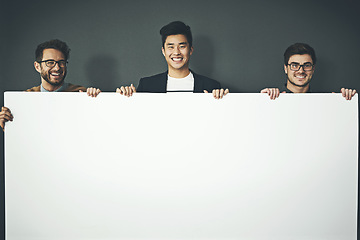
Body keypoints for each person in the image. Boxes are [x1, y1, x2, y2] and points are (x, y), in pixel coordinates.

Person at [0, 39, 101, 130]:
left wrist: (98, 102)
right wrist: (9, 126)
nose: (57, 68)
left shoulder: (80, 93)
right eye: (50, 62)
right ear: (37, 66)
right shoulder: (25, 99)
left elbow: (93, 130)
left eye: (61, 62)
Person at [117, 21, 229, 99]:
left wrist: (222, 100)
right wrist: (127, 98)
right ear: (163, 51)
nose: (176, 52)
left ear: (190, 50)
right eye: (170, 46)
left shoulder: (211, 86)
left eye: (182, 46)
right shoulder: (147, 85)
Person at [261, 43, 356, 100]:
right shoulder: (271, 99)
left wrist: (345, 102)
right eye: (295, 65)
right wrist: (261, 100)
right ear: (286, 68)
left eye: (306, 65)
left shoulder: (325, 102)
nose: (301, 71)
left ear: (313, 68)